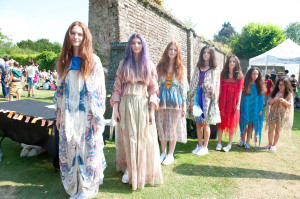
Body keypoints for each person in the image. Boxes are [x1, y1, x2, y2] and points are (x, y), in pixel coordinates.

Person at [54, 21, 106, 199]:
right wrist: (59, 113)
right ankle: (75, 188)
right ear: (68, 36)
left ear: (85, 37)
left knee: (87, 151)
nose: (76, 37)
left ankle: (86, 189)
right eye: (73, 33)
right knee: (70, 150)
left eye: (80, 34)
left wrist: (95, 116)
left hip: (86, 115)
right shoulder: (64, 61)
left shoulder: (94, 61)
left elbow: (99, 91)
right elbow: (60, 90)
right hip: (68, 115)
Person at [110, 33, 163, 190]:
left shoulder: (149, 65)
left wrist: (152, 112)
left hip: (142, 104)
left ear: (143, 45)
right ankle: (129, 169)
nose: (136, 45)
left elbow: (153, 89)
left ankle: (141, 170)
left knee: (143, 138)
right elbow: (117, 87)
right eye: (133, 43)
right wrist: (115, 109)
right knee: (128, 137)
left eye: (139, 43)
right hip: (126, 104)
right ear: (129, 46)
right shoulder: (123, 63)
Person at [156, 41, 188, 165]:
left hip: (175, 100)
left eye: (175, 50)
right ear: (167, 50)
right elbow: (155, 82)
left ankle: (170, 154)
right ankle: (163, 152)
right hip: (162, 99)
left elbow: (183, 87)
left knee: (173, 128)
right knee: (162, 126)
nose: (172, 52)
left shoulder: (180, 68)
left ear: (177, 52)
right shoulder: (160, 65)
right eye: (170, 49)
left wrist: (184, 105)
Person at [188, 45, 221, 156]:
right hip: (197, 97)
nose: (206, 54)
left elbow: (216, 85)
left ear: (211, 55)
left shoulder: (215, 69)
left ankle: (205, 147)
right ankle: (199, 144)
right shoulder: (197, 68)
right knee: (198, 123)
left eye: (208, 53)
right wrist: (190, 98)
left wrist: (213, 97)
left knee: (205, 123)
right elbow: (193, 82)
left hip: (207, 98)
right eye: (204, 52)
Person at [216, 55, 244, 152]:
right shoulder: (223, 75)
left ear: (236, 63)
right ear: (227, 63)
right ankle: (219, 143)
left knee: (231, 122)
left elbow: (240, 91)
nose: (231, 63)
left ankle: (229, 144)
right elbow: (219, 89)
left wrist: (238, 104)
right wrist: (217, 101)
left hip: (234, 102)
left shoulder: (240, 76)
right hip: (223, 101)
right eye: (230, 61)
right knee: (221, 122)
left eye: (233, 61)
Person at [238, 67, 266, 149]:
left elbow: (261, 98)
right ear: (250, 74)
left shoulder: (260, 85)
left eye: (257, 74)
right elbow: (242, 96)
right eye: (254, 73)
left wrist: (261, 109)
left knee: (250, 125)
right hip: (245, 107)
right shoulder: (245, 84)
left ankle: (247, 143)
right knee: (243, 124)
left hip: (255, 108)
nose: (255, 75)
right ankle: (242, 141)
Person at [264, 77, 294, 151]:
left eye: (282, 85)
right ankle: (269, 144)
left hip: (281, 115)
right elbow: (269, 102)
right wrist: (274, 99)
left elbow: (290, 105)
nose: (280, 86)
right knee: (270, 129)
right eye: (279, 84)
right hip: (273, 113)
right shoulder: (275, 92)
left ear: (286, 86)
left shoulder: (288, 94)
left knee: (277, 130)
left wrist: (284, 101)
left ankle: (274, 145)